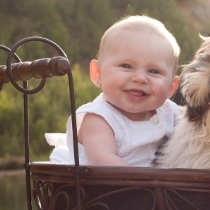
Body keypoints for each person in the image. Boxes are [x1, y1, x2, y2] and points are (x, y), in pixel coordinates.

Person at [47, 15, 181, 166]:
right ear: (97, 73)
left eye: (154, 71)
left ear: (171, 86)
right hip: (104, 187)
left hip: (154, 187)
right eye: (126, 66)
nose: (140, 78)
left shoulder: (170, 112)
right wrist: (152, 185)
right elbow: (105, 164)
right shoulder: (99, 119)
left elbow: (198, 126)